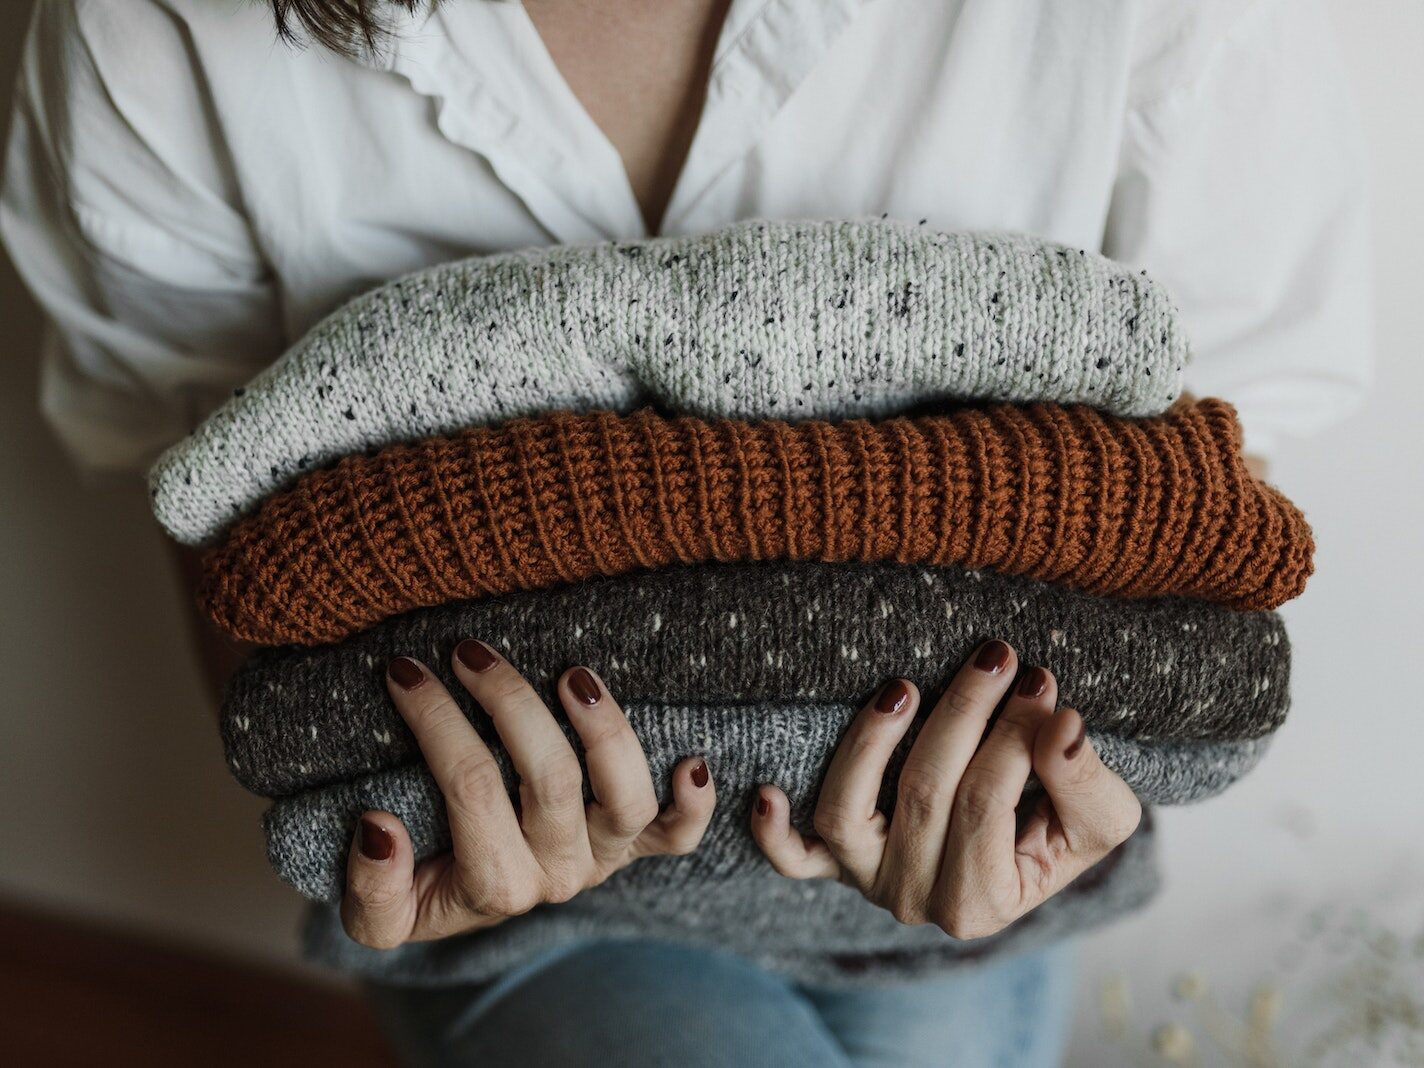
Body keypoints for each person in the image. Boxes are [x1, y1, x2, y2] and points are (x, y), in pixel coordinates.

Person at [0, 2, 1370, 1064]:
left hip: (973, 874)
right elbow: (237, 567)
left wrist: (1080, 782)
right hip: (527, 911)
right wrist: (404, 829)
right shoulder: (162, 23)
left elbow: (1213, 488)